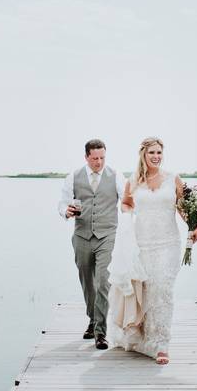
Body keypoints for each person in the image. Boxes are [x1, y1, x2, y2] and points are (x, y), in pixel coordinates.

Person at [109, 137, 197, 365]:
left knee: (163, 290)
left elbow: (182, 206)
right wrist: (127, 215)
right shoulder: (134, 181)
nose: (156, 156)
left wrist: (194, 224)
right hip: (141, 244)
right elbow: (127, 203)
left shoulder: (173, 179)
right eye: (152, 153)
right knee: (147, 290)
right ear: (143, 155)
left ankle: (161, 344)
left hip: (168, 244)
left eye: (159, 152)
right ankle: (144, 337)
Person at [57, 138, 123, 350]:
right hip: (82, 235)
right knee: (87, 281)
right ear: (86, 157)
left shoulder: (116, 176)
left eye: (102, 157)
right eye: (94, 158)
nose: (99, 162)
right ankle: (92, 319)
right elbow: (63, 202)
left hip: (107, 235)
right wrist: (66, 211)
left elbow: (127, 199)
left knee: (103, 281)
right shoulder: (73, 177)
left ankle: (100, 332)